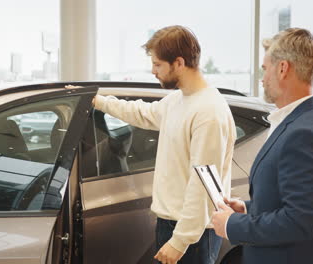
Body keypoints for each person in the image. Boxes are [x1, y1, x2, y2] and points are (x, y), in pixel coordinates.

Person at [93, 25, 236, 264]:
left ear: (179, 63)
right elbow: (143, 113)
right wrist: (100, 102)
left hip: (194, 234)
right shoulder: (179, 100)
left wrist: (180, 240)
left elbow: (202, 185)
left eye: (158, 64)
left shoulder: (209, 111)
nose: (153, 71)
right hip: (171, 224)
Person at [211, 28, 313, 264]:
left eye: (265, 69)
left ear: (282, 68)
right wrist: (248, 209)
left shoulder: (304, 132)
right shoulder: (311, 119)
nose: (262, 79)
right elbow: (291, 201)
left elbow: (299, 221)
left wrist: (233, 225)